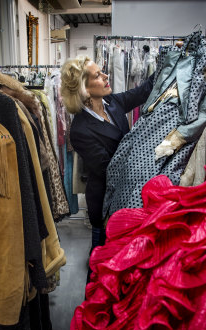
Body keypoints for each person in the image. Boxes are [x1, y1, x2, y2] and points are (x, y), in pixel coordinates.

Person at [60, 55, 154, 260]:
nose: (105, 76)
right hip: (105, 205)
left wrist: (170, 62)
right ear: (84, 88)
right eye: (98, 75)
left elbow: (142, 92)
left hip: (126, 195)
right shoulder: (80, 130)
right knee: (101, 264)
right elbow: (109, 168)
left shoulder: (111, 103)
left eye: (102, 72)